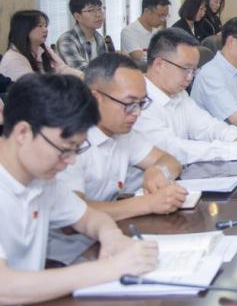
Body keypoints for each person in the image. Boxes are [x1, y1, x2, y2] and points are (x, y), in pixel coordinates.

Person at [0, 74, 157, 306]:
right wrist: (109, 269)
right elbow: (4, 288)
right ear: (23, 133)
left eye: (77, 149)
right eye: (65, 150)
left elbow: (89, 217)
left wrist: (111, 237)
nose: (71, 161)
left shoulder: (41, 180)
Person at [51, 53, 186, 264]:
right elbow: (71, 214)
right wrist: (147, 204)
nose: (137, 113)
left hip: (110, 241)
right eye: (129, 103)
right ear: (95, 98)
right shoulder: (67, 141)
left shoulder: (121, 133)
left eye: (141, 103)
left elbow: (170, 161)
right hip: (66, 258)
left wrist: (157, 171)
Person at [134, 29, 237, 163]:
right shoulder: (137, 102)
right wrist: (236, 149)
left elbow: (209, 126)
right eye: (185, 69)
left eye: (193, 70)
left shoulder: (179, 94)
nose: (190, 77)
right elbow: (173, 150)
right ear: (159, 64)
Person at [1, 10, 81, 81]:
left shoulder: (44, 49)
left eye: (45, 26)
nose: (45, 30)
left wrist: (83, 77)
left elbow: (63, 69)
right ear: (24, 29)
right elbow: (31, 87)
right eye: (40, 26)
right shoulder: (14, 58)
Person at [55, 0, 109, 70]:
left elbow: (106, 67)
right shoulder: (66, 41)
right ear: (77, 16)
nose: (98, 14)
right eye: (91, 10)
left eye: (99, 9)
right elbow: (82, 71)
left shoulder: (98, 38)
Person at [120, 0, 171, 64]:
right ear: (147, 11)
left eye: (166, 16)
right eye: (161, 15)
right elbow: (140, 57)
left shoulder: (157, 32)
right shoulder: (128, 32)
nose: (163, 20)